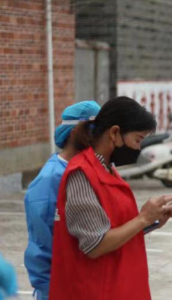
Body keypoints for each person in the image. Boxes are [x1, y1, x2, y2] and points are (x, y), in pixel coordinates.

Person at [48, 96, 172, 300]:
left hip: (119, 286)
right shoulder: (82, 173)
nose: (138, 148)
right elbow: (95, 245)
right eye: (137, 139)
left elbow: (114, 227)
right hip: (94, 290)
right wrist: (143, 218)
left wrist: (154, 219)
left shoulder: (107, 169)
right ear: (115, 133)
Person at [24, 100, 101, 300]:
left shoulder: (90, 170)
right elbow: (43, 244)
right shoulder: (51, 179)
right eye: (95, 130)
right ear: (76, 133)